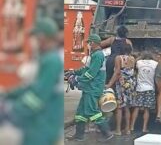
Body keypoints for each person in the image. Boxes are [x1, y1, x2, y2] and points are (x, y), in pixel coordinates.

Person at [0, 17, 63, 145]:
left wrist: (11, 111)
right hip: (40, 123)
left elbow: (37, 97)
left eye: (34, 38)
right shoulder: (48, 59)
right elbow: (32, 87)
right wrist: (7, 93)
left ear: (42, 37)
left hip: (43, 125)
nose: (32, 42)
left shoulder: (52, 61)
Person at [66, 34, 113, 142]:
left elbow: (91, 73)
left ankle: (107, 133)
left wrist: (77, 79)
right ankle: (79, 135)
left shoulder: (98, 55)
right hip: (89, 88)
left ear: (93, 43)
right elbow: (85, 69)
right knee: (81, 112)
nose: (88, 44)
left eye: (89, 42)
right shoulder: (95, 55)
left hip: (93, 88)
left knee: (92, 111)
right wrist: (74, 72)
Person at [106, 44, 136, 135]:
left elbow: (117, 72)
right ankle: (127, 129)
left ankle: (118, 130)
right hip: (130, 84)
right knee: (127, 107)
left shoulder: (118, 58)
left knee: (119, 107)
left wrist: (109, 84)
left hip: (121, 84)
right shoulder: (133, 59)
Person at [130, 52, 158, 133]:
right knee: (146, 110)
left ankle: (132, 127)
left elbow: (135, 62)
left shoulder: (139, 62)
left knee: (136, 108)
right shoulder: (155, 63)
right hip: (150, 88)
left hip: (139, 88)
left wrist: (139, 57)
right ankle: (144, 128)